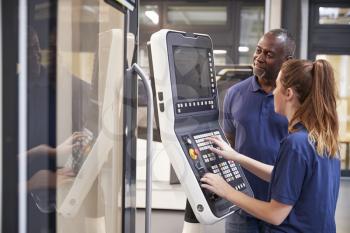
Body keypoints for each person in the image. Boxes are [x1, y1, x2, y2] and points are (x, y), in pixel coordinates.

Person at [201, 59, 341, 233]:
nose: (273, 92)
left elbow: (275, 214)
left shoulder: (295, 144)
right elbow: (285, 177)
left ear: (288, 93)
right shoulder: (322, 139)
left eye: (276, 86)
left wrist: (226, 191)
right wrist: (237, 157)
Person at [182, 29, 296, 233]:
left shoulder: (292, 99)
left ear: (287, 60)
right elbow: (229, 145)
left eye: (269, 54)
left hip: (283, 206)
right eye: (258, 50)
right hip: (242, 205)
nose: (259, 58)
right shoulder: (235, 94)